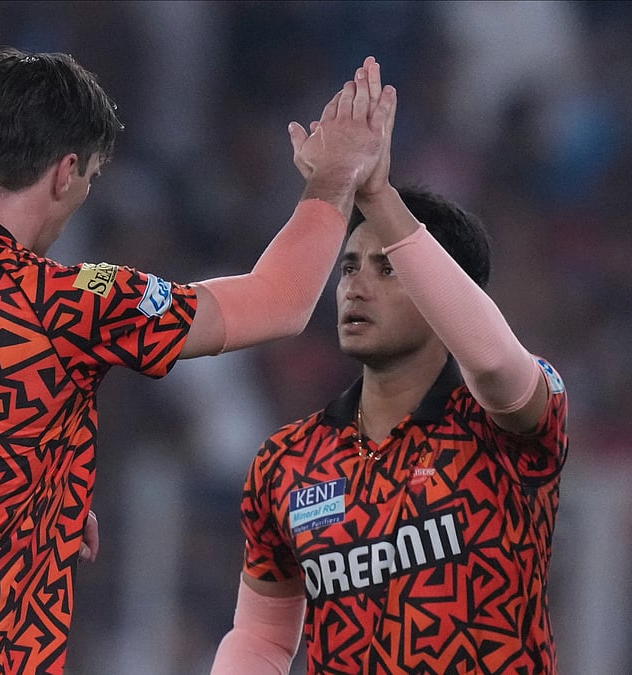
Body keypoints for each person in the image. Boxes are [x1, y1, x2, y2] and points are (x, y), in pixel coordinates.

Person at [0, 46, 395, 675]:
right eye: (88, 179)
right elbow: (277, 302)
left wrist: (11, 505)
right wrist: (333, 180)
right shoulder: (63, 299)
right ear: (65, 173)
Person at [210, 173, 569, 669]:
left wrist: (378, 195)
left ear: (443, 290)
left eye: (387, 269)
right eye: (350, 267)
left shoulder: (505, 426)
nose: (355, 287)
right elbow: (261, 638)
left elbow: (490, 362)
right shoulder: (288, 460)